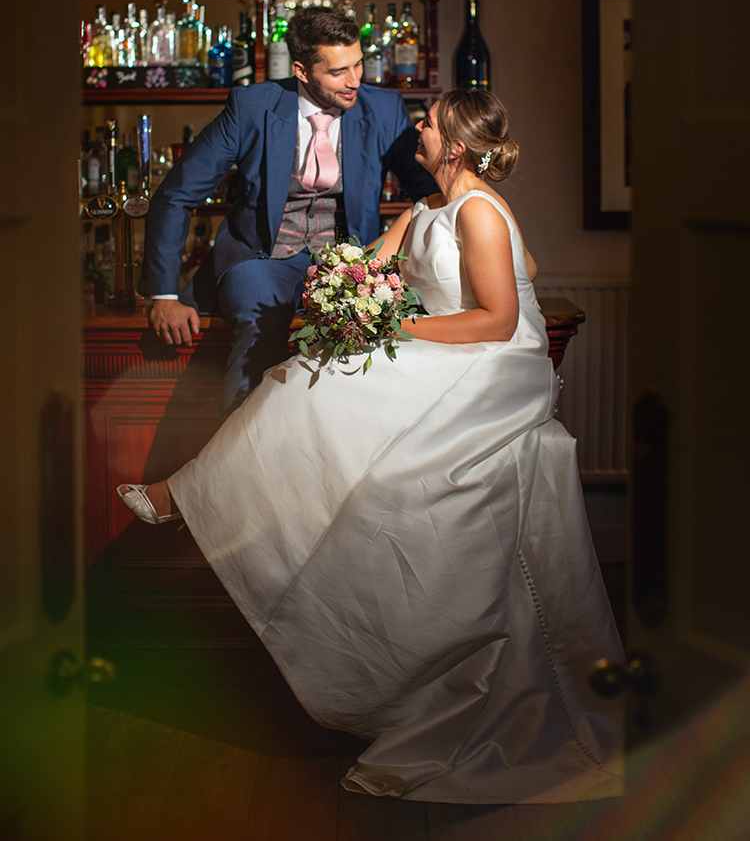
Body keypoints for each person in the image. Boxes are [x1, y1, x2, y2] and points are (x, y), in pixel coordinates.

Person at [120, 87, 624, 805]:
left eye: (427, 122)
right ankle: (214, 502)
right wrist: (346, 291)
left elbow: (498, 318)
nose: (413, 128)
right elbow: (373, 266)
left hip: (497, 366)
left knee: (324, 383)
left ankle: (190, 496)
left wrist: (396, 328)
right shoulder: (425, 207)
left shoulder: (479, 208)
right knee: (313, 372)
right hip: (450, 345)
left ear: (452, 143)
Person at [139, 5, 436, 414]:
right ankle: (236, 464)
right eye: (337, 72)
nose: (354, 82)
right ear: (300, 70)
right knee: (261, 328)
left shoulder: (382, 109)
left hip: (350, 266)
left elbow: (430, 193)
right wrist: (163, 293)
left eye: (358, 65)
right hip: (262, 259)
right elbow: (177, 193)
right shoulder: (252, 106)